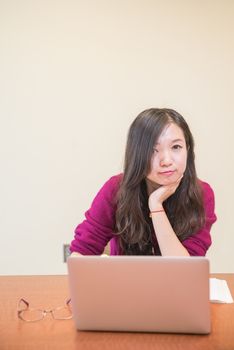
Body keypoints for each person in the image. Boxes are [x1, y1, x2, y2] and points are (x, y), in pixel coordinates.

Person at [70, 108, 217, 256]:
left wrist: (156, 205)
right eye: (153, 150)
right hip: (124, 279)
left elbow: (186, 270)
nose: (166, 161)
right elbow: (82, 250)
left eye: (176, 147)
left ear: (188, 149)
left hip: (174, 280)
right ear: (138, 155)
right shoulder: (116, 188)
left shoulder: (202, 193)